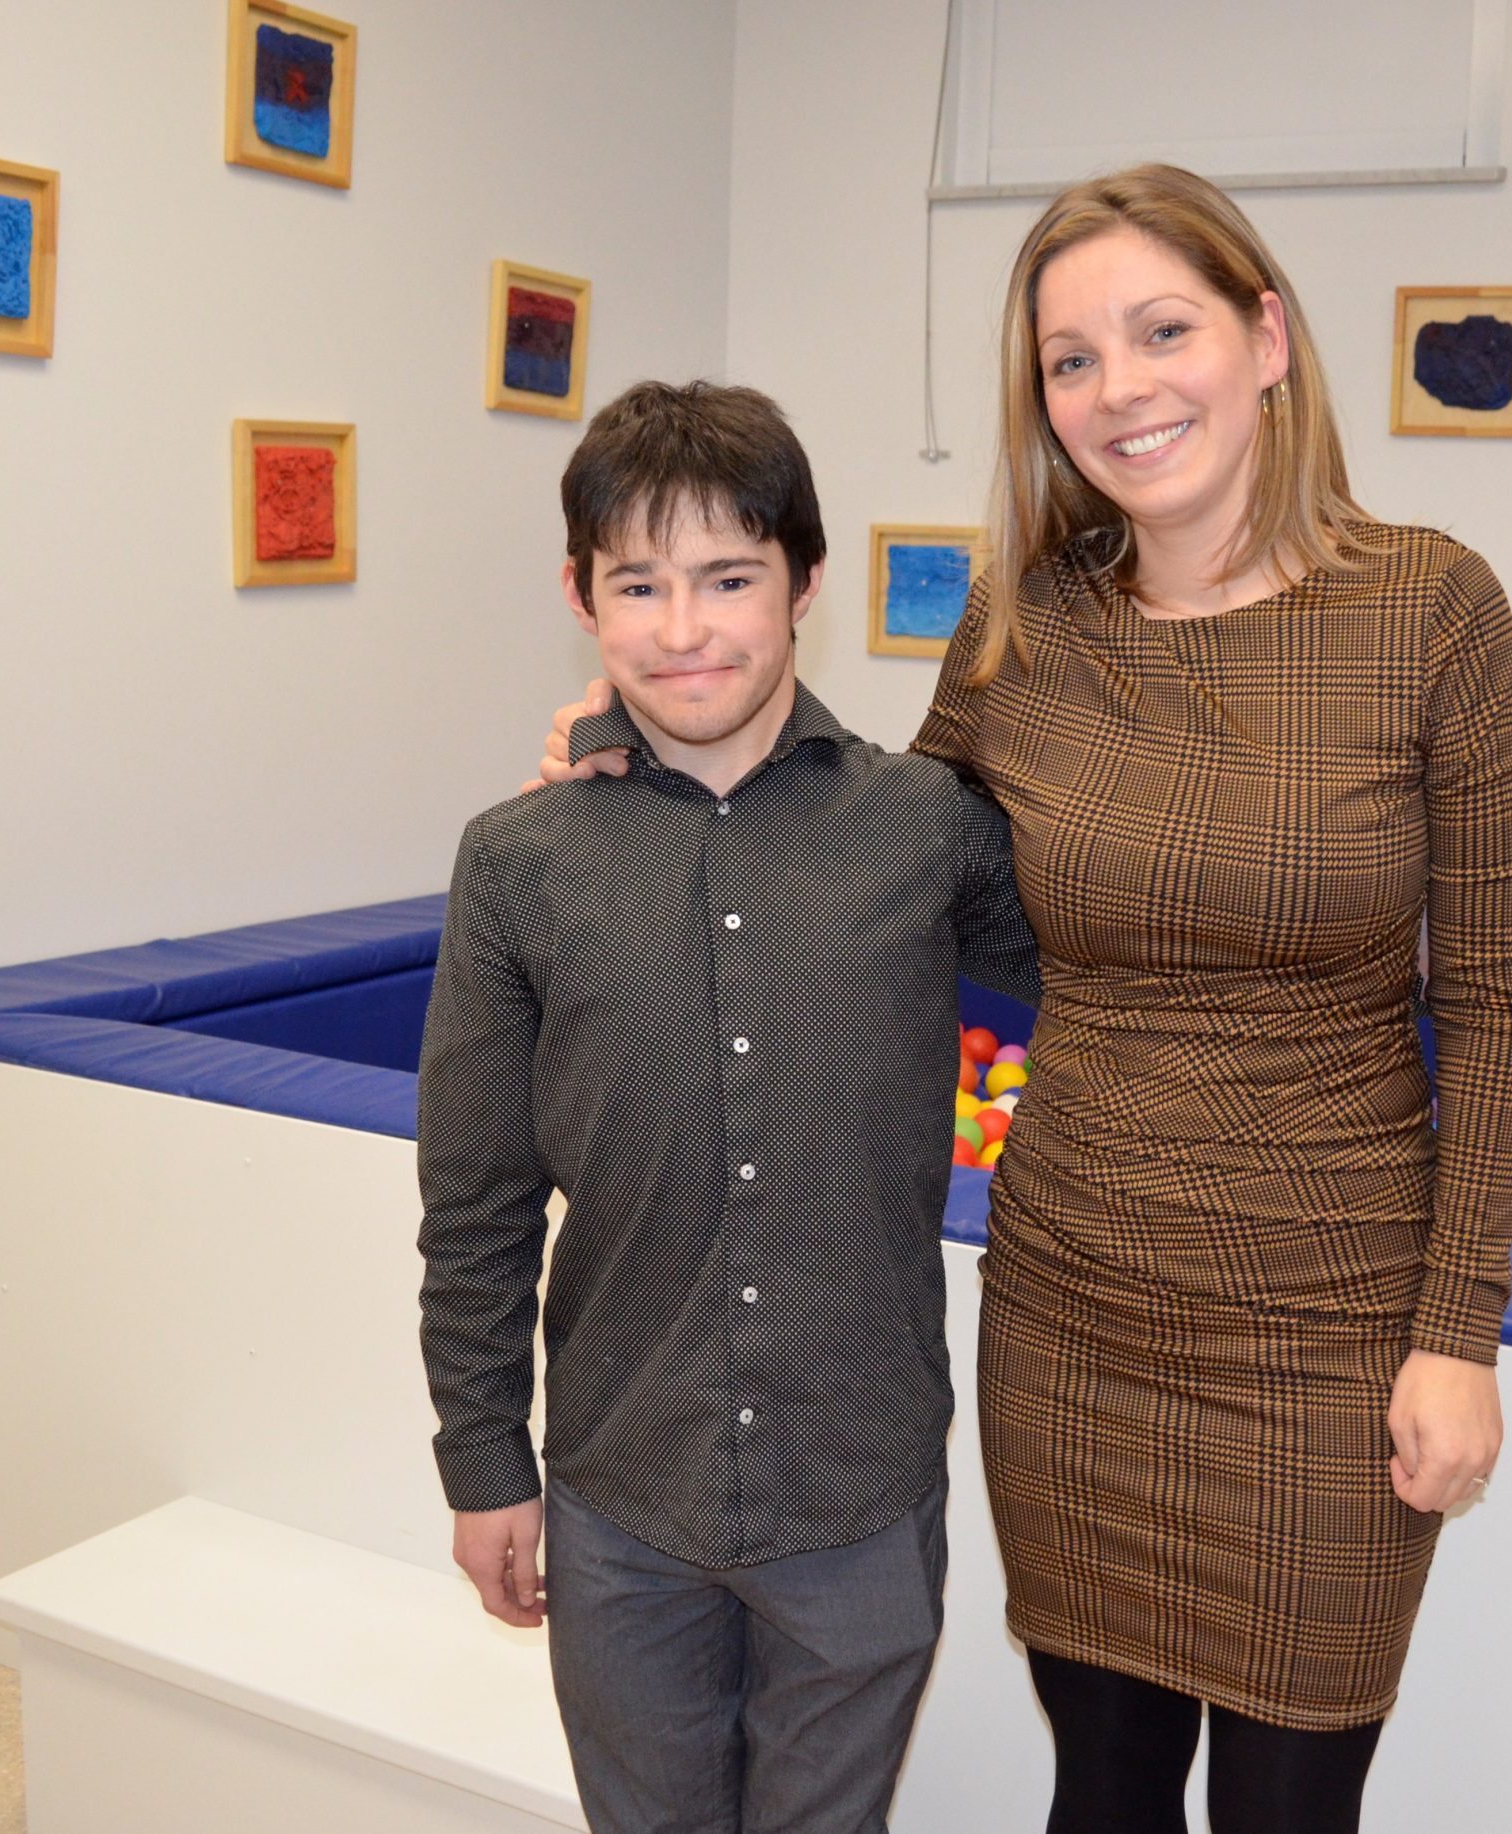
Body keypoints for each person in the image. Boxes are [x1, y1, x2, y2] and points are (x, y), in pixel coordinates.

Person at [538, 169, 1512, 1834]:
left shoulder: (1434, 607)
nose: (1119, 388)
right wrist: (635, 739)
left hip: (1334, 1321)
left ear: (1266, 338)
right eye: (1071, 359)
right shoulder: (1025, 624)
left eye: (1163, 331)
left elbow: (1503, 1008)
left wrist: (1459, 1330)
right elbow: (871, 845)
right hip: (1076, 1307)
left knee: (1293, 1806)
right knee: (1104, 1790)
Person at [416, 379, 1040, 1834]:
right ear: (580, 597)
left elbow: (1136, 960)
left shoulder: (929, 825)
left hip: (859, 1491)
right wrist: (483, 1456)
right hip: (622, 1491)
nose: (684, 628)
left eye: (729, 578)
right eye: (638, 584)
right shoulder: (518, 860)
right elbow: (477, 1198)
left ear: (805, 582)